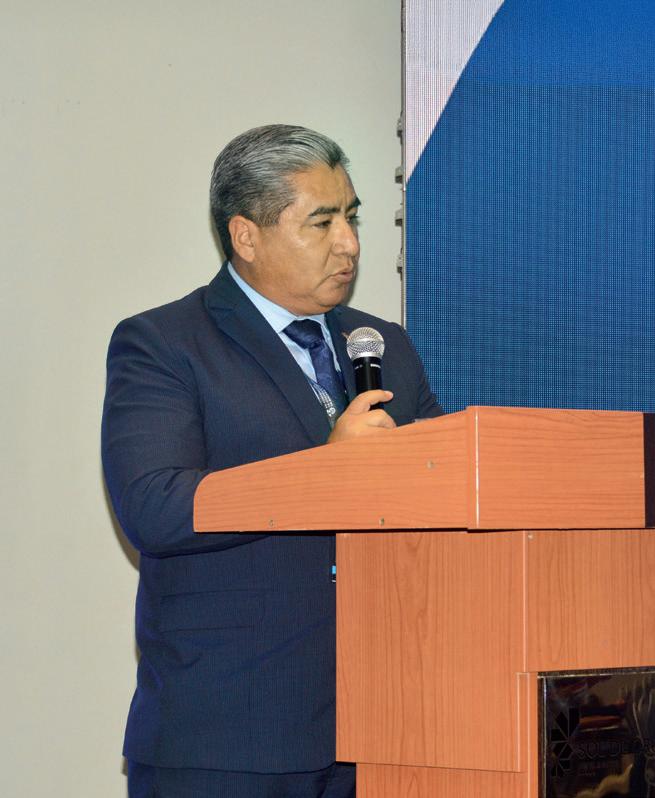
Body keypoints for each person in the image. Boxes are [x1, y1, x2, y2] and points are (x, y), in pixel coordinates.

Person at [102, 124, 443, 797]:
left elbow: (445, 480)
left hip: (387, 724)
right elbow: (154, 507)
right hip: (229, 733)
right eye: (322, 221)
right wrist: (325, 470)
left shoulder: (385, 346)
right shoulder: (165, 343)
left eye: (352, 218)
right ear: (246, 236)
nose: (349, 243)